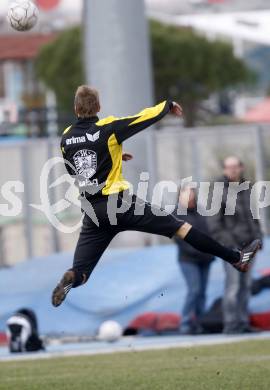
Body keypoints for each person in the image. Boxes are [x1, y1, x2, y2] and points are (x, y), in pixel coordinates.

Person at [51, 86, 261, 307]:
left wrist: (115, 156)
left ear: (75, 108)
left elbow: (78, 169)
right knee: (181, 227)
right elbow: (140, 119)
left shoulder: (66, 137)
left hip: (93, 212)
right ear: (99, 107)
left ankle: (72, 277)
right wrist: (166, 106)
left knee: (82, 271)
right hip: (120, 204)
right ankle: (237, 259)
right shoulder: (107, 128)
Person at [209, 156, 263, 334]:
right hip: (232, 249)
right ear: (224, 170)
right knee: (232, 287)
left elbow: (253, 217)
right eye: (228, 167)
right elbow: (215, 224)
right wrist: (230, 246)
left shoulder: (247, 188)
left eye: (235, 167)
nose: (232, 170)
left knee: (246, 286)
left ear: (241, 167)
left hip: (250, 246)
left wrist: (258, 238)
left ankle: (243, 322)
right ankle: (231, 324)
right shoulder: (218, 190)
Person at [175, 186, 215, 335]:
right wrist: (198, 250)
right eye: (187, 196)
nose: (190, 199)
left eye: (192, 196)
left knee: (202, 292)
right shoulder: (176, 214)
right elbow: (180, 240)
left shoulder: (202, 212)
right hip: (188, 259)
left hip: (206, 259)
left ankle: (200, 323)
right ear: (180, 198)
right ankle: (185, 324)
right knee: (194, 290)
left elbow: (210, 234)